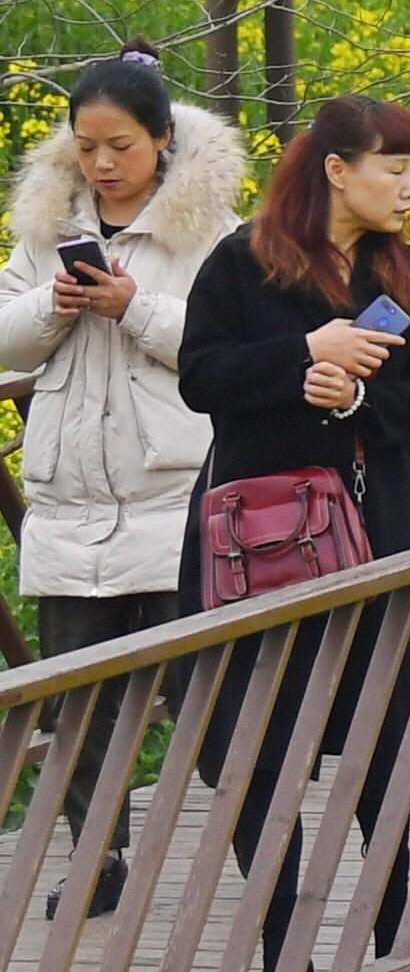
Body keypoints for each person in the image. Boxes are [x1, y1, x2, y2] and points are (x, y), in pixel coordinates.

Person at [182, 95, 410, 972]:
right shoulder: (242, 266)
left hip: (369, 535)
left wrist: (354, 402)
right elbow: (201, 377)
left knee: (379, 740)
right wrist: (304, 353)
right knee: (252, 749)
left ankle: (392, 946)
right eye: (396, 168)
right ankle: (282, 957)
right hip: (252, 546)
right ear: (337, 170)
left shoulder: (408, 273)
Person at [0, 51, 241, 661]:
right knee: (81, 727)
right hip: (68, 524)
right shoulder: (46, 227)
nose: (101, 163)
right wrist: (51, 305)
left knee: (201, 706)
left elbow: (236, 351)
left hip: (177, 510)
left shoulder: (212, 231)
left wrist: (136, 309)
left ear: (162, 137)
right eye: (85, 147)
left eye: (120, 145)